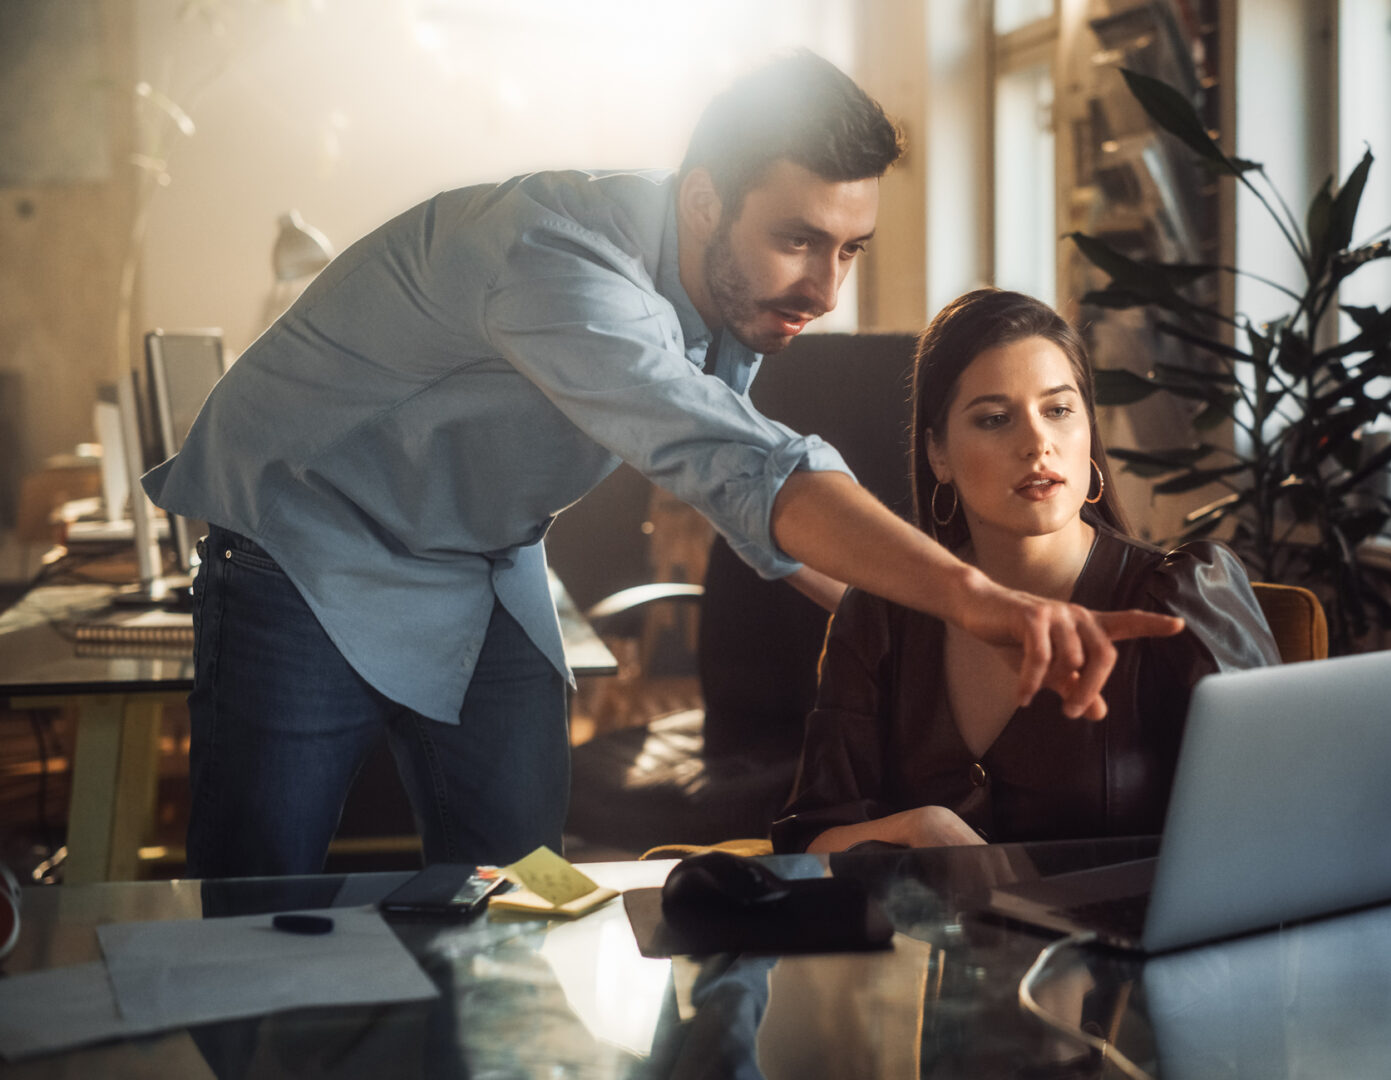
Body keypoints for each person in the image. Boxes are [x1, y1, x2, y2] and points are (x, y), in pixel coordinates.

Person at [146, 53, 1180, 879]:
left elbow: (746, 502)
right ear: (701, 202)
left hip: (485, 560)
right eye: (798, 239)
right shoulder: (556, 265)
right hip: (307, 540)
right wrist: (974, 600)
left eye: (851, 249)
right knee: (258, 897)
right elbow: (746, 465)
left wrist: (915, 629)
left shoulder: (733, 288)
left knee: (515, 883)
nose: (825, 287)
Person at [771, 289, 1281, 855]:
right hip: (932, 944)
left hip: (1134, 941)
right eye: (994, 419)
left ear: (1089, 431)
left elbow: (1278, 829)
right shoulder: (881, 613)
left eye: (1059, 410)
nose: (1037, 442)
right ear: (937, 454)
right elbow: (809, 842)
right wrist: (919, 829)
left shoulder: (1179, 596)